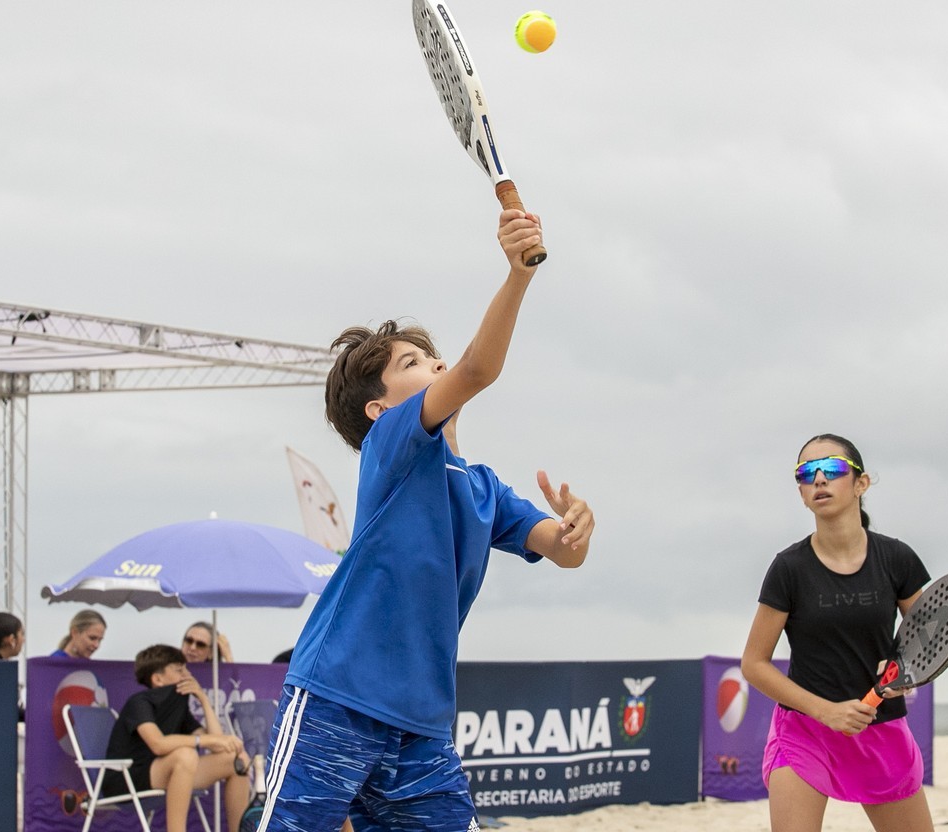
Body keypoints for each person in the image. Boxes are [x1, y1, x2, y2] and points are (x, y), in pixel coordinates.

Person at [256, 209, 596, 832]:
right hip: (337, 698)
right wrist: (518, 275)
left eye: (431, 355)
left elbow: (563, 552)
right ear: (379, 406)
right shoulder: (391, 446)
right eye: (414, 360)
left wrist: (576, 527)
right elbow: (477, 370)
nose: (436, 364)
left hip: (421, 727)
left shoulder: (485, 489)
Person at [741, 434, 934, 832]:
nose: (818, 480)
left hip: (880, 730)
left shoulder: (897, 558)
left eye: (831, 469)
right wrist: (825, 711)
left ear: (861, 484)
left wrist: (903, 672)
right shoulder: (789, 568)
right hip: (805, 732)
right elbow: (754, 664)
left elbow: (929, 638)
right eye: (806, 474)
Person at [103, 644, 251, 832]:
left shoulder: (178, 708)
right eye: (179, 670)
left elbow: (219, 747)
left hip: (166, 773)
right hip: (128, 777)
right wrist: (207, 741)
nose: (188, 675)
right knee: (185, 755)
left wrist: (203, 699)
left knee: (236, 760)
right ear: (158, 679)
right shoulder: (139, 702)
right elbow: (158, 745)